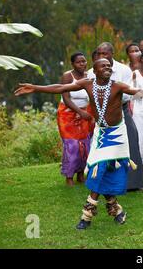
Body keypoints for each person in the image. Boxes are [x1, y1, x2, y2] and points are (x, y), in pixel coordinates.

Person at [15, 58, 143, 230]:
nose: (107, 68)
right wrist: (35, 88)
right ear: (95, 70)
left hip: (117, 134)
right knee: (101, 169)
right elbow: (61, 88)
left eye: (109, 66)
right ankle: (116, 209)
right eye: (103, 66)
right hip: (100, 133)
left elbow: (138, 91)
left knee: (102, 168)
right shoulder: (88, 84)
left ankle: (87, 215)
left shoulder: (117, 86)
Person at [89, 42, 143, 191]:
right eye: (99, 54)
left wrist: (114, 97)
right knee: (103, 148)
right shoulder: (92, 72)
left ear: (112, 54)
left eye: (105, 54)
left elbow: (129, 93)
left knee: (131, 141)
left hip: (121, 111)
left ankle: (134, 183)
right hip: (101, 115)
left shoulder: (123, 70)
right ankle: (104, 182)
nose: (102, 57)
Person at [57, 52, 93, 187]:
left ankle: (80, 174)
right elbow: (66, 98)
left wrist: (88, 113)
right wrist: (79, 112)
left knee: (84, 145)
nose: (82, 64)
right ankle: (69, 176)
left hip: (85, 114)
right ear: (72, 64)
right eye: (79, 62)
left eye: (84, 61)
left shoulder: (88, 76)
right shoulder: (67, 76)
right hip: (67, 115)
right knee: (71, 146)